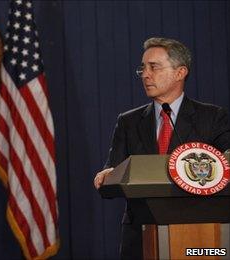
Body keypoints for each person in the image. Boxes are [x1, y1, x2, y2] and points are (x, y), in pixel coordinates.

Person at [93, 37, 230, 259]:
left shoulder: (213, 118)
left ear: (180, 72)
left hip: (200, 235)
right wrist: (108, 175)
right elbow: (112, 173)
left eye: (154, 67)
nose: (145, 74)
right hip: (140, 237)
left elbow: (228, 165)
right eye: (143, 68)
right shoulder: (128, 121)